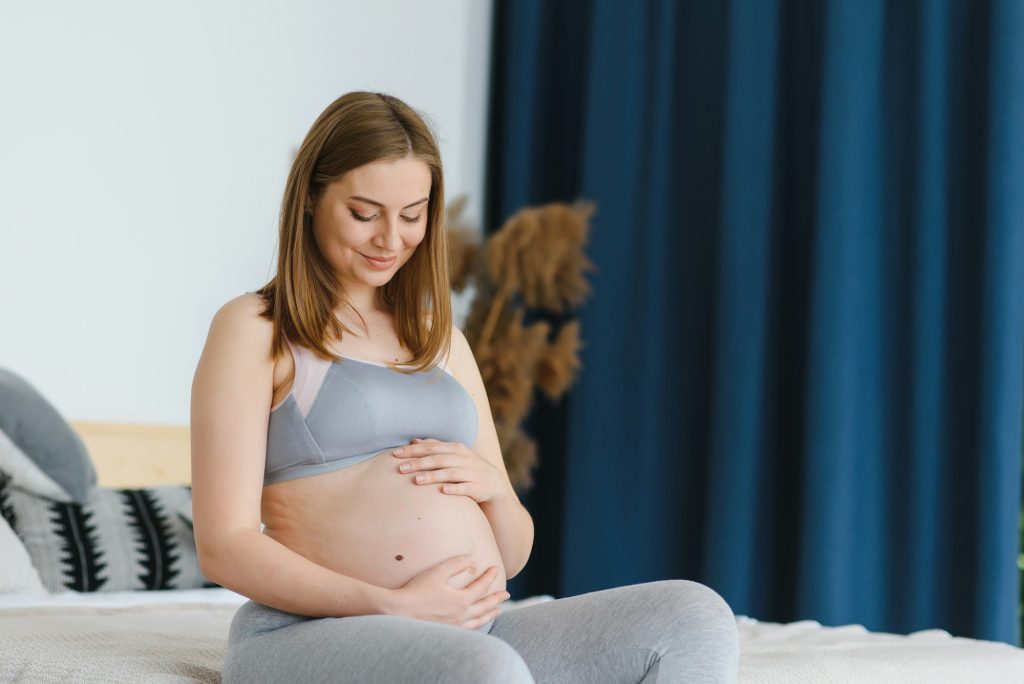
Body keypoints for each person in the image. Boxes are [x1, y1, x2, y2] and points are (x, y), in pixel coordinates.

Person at [190, 91, 740, 683]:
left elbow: (511, 553)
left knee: (694, 616)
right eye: (364, 212)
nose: (391, 239)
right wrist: (391, 604)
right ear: (309, 199)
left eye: (412, 214)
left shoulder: (440, 336)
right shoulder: (256, 328)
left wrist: (496, 494)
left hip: (473, 631)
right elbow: (225, 544)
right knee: (485, 670)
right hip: (310, 632)